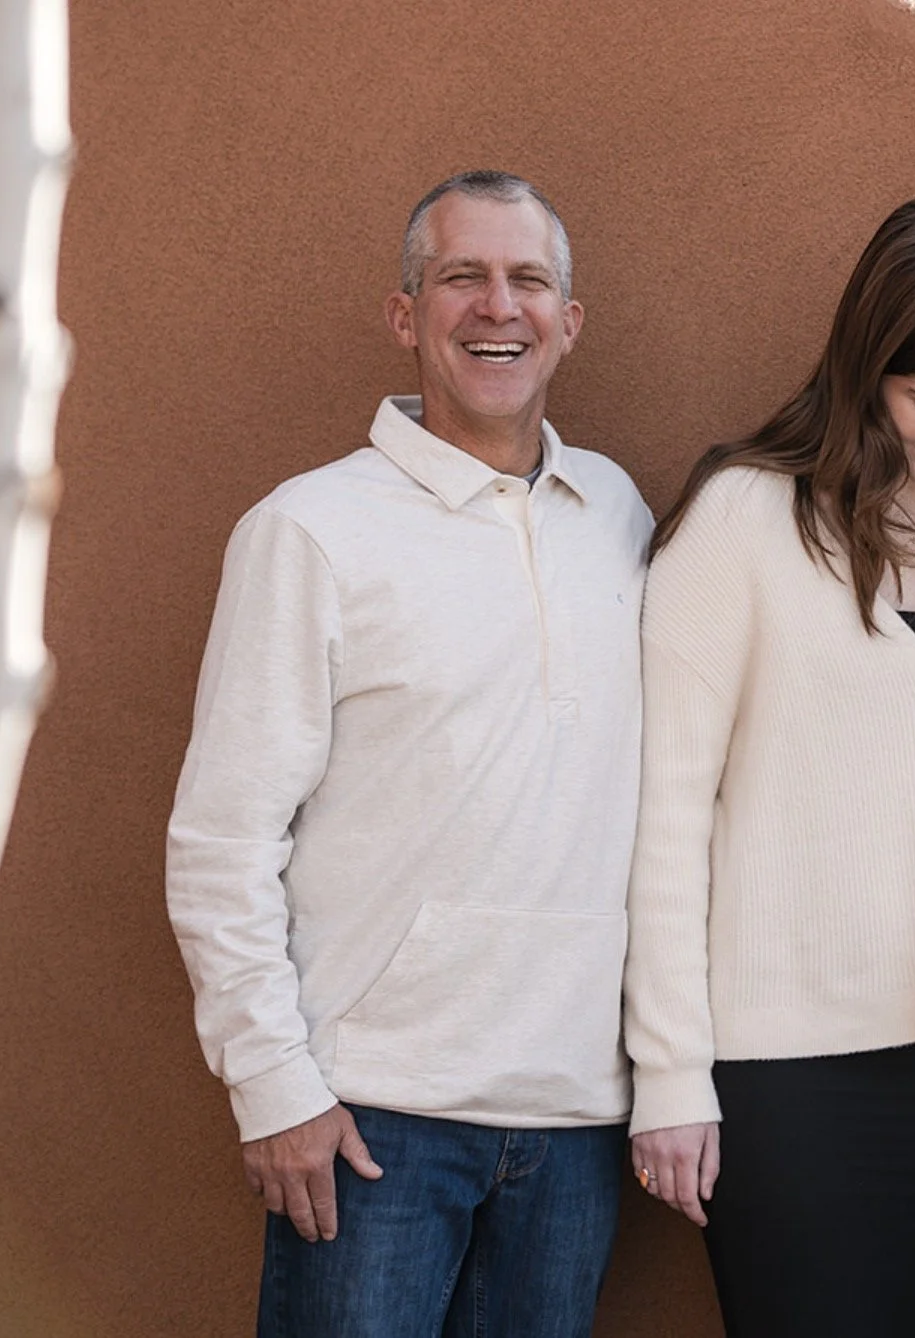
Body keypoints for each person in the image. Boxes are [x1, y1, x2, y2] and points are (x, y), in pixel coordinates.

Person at [164, 170, 654, 1337]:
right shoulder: (309, 531)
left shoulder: (619, 515)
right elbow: (221, 840)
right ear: (405, 314)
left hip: (577, 1118)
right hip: (370, 1123)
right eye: (461, 278)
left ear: (568, 321)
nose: (499, 307)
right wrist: (273, 1087)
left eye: (528, 280)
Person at [620, 195, 915, 1337]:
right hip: (785, 1073)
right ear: (866, 366)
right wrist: (669, 1075)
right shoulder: (745, 519)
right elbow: (667, 809)